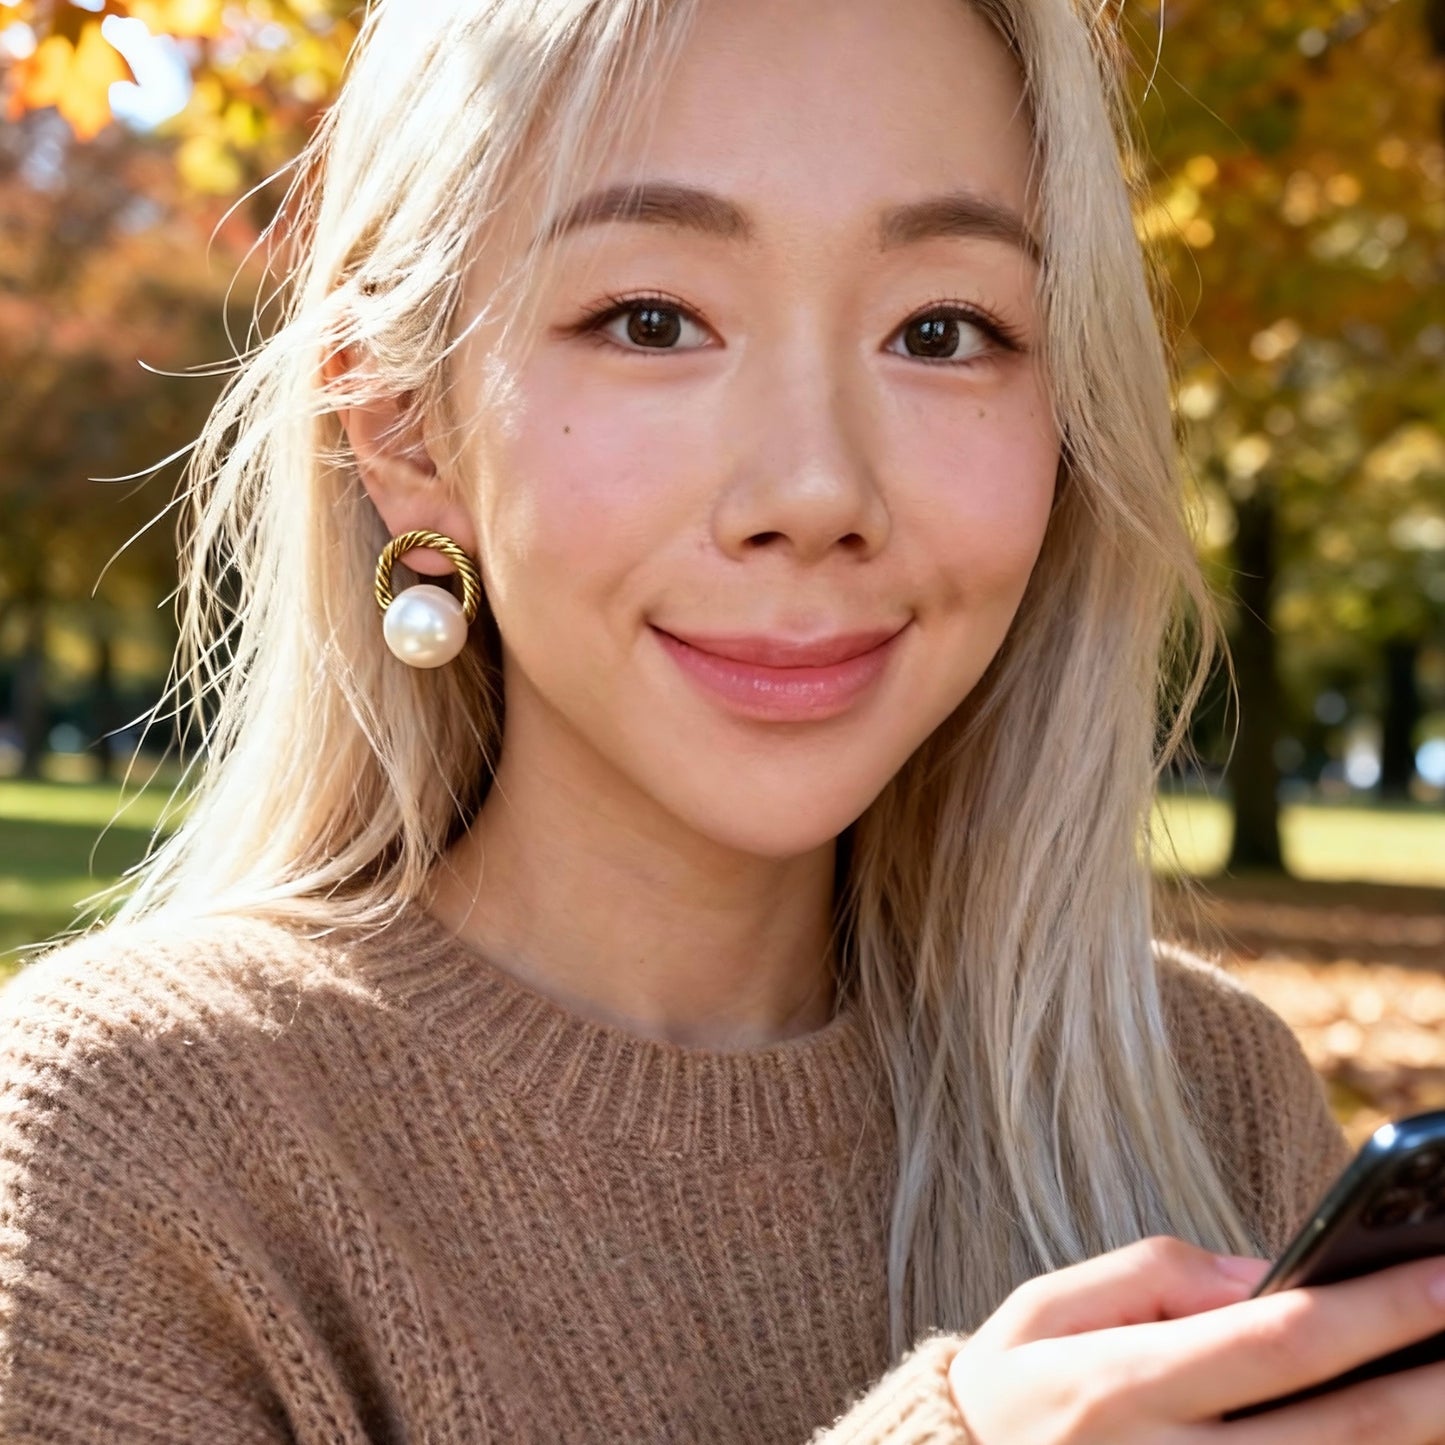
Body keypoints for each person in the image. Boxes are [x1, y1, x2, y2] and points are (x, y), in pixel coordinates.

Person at [4, 0, 1445, 1439]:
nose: (815, 491)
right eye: (653, 321)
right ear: (404, 431)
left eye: (941, 331)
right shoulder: (123, 1140)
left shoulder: (1206, 1099)